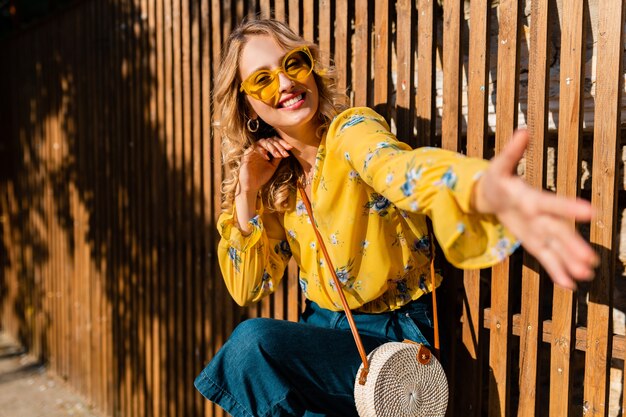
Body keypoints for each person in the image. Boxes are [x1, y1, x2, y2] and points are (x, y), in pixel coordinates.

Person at [194, 18, 598, 417]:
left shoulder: (352, 131)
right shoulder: (277, 182)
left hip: (393, 337)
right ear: (247, 103)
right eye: (262, 80)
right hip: (323, 335)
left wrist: (473, 185)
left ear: (311, 68)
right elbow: (249, 287)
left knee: (253, 344)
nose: (285, 84)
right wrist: (248, 192)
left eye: (293, 64)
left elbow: (398, 169)